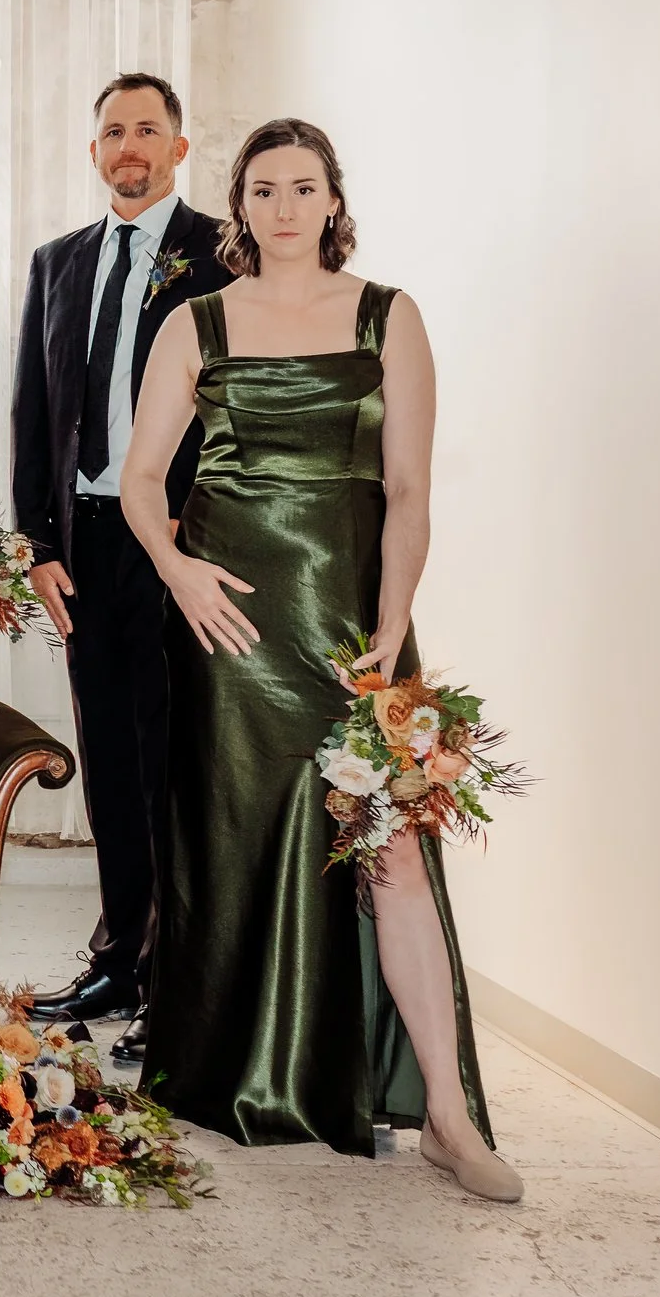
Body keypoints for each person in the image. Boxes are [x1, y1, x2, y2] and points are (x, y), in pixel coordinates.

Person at [122, 119, 517, 1202]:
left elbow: (409, 494)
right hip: (226, 625)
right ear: (238, 206)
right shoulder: (194, 320)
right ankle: (225, 1069)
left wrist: (390, 630)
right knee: (231, 838)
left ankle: (446, 1111)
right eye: (261, 189)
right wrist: (177, 571)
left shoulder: (389, 315)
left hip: (352, 628)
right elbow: (141, 477)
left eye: (303, 187)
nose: (283, 206)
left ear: (332, 200)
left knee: (388, 856)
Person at [13, 74, 237, 1062]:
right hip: (86, 545)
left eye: (147, 129)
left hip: (181, 543)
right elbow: (32, 410)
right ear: (93, 149)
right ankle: (118, 954)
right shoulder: (55, 261)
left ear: (179, 149)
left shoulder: (217, 257)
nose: (128, 145)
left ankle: (177, 975)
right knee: (106, 758)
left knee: (173, 762)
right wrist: (38, 546)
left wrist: (205, 530)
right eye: (112, 130)